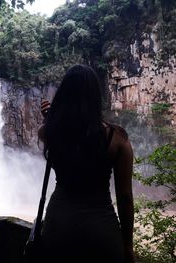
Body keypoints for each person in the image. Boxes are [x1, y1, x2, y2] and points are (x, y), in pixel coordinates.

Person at [38, 64, 135, 263]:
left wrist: (50, 119)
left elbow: (59, 134)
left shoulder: (48, 133)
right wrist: (127, 244)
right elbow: (125, 197)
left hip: (58, 226)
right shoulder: (117, 138)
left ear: (63, 95)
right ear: (95, 97)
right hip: (101, 230)